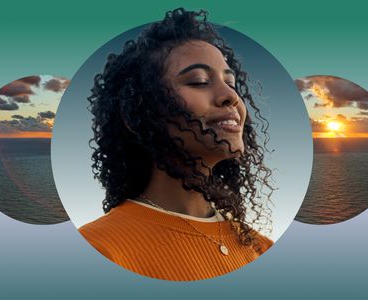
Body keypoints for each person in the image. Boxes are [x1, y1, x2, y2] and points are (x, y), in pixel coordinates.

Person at [79, 8, 274, 281]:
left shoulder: (261, 249)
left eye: (231, 83)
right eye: (199, 81)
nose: (230, 96)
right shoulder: (99, 249)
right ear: (138, 115)